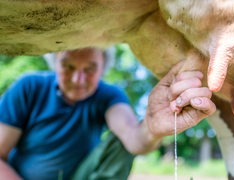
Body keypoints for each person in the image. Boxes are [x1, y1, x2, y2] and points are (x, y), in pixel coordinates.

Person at [0, 47, 215, 180]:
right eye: (68, 66)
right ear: (54, 62)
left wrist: (152, 127)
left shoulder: (108, 95)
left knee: (119, 141)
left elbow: (133, 140)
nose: (78, 79)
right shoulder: (29, 87)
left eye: (90, 69)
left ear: (103, 67)